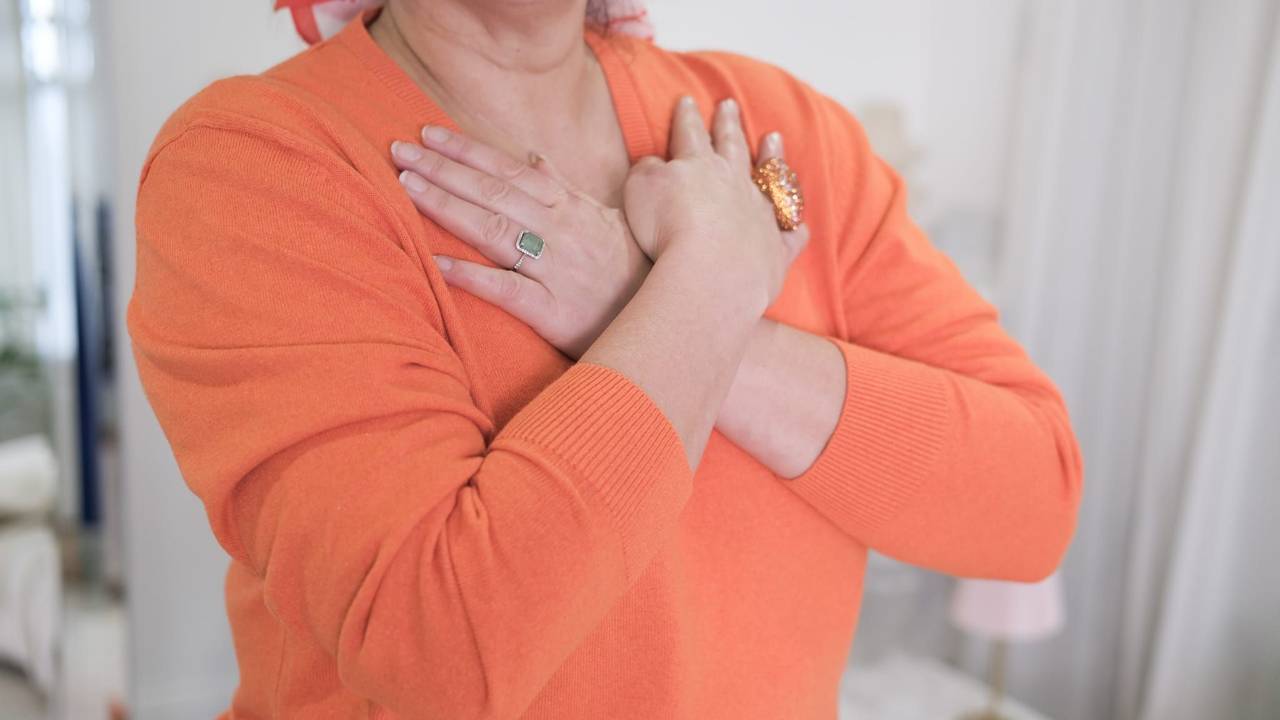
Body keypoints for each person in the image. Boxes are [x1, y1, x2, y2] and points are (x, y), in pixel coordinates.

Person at [127, 1, 1084, 718]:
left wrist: (652, 305)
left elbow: (1031, 501)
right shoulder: (258, 164)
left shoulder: (778, 132)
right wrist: (702, 286)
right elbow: (443, 650)